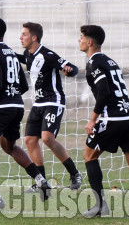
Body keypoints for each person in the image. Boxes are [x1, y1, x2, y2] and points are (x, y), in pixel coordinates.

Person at [0, 17, 51, 213]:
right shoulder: (11, 54)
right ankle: (41, 180)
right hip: (16, 106)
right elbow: (23, 85)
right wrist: (10, 96)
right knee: (9, 146)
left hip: (0, 109)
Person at [78, 25, 129, 219]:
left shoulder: (94, 63)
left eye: (81, 37)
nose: (78, 40)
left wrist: (92, 120)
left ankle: (100, 206)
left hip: (113, 118)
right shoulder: (110, 61)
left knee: (89, 156)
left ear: (89, 42)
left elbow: (103, 93)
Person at [18, 22, 82, 193]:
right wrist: (9, 55)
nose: (20, 37)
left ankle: (75, 173)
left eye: (24, 34)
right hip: (38, 103)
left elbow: (72, 68)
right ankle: (42, 184)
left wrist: (69, 71)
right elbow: (27, 59)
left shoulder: (48, 55)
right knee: (30, 140)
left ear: (34, 37)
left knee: (47, 138)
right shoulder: (28, 53)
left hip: (53, 102)